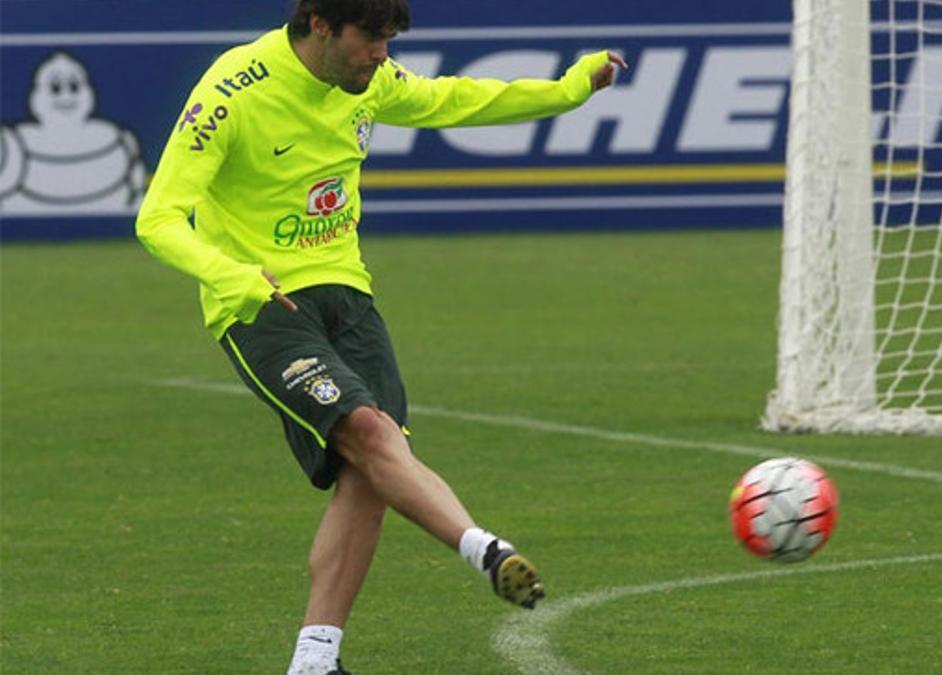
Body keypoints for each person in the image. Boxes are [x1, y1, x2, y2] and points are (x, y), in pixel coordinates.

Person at [135, 1, 627, 673]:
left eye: (389, 40)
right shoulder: (233, 90)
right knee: (369, 433)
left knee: (373, 467)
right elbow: (158, 218)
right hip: (258, 304)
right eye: (371, 37)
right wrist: (235, 276)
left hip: (348, 293)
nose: (382, 55)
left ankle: (314, 658)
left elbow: (460, 100)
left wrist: (572, 88)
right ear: (319, 24)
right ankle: (482, 547)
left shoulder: (370, 81)